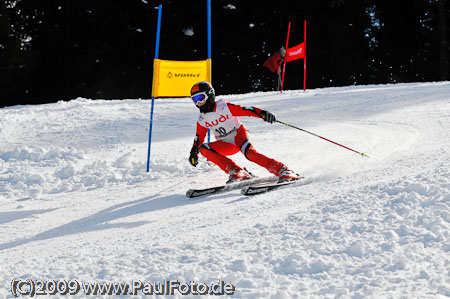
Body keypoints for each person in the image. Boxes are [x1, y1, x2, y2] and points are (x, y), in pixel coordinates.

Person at [188, 81, 300, 183]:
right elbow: (199, 138)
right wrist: (194, 152)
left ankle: (284, 170)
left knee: (250, 154)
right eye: (195, 100)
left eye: (200, 97)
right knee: (203, 148)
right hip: (226, 143)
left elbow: (246, 110)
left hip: (239, 135)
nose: (198, 103)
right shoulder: (202, 119)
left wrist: (263, 114)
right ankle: (237, 172)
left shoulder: (223, 107)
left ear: (210, 94)